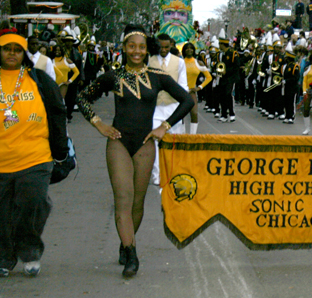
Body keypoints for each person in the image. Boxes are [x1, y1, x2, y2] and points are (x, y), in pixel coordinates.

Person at [77, 25, 194, 277]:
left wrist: (165, 126)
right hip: (118, 142)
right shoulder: (113, 75)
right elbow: (82, 98)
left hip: (144, 144)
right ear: (124, 48)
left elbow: (188, 100)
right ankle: (131, 253)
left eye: (141, 46)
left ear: (146, 48)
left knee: (138, 203)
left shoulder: (157, 76)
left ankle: (124, 241)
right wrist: (99, 124)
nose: (137, 51)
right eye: (132, 46)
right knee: (123, 199)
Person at [0, 32, 69, 277]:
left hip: (36, 157)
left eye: (16, 50)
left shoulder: (37, 79)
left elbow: (58, 111)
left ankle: (30, 252)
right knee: (3, 213)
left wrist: (60, 150)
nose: (11, 53)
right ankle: (5, 257)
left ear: (24, 54)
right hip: (2, 161)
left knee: (34, 204)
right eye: (6, 49)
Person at [148, 33, 188, 185]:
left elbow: (183, 86)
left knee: (173, 141)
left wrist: (181, 107)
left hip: (173, 107)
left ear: (171, 45)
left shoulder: (179, 62)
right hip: (155, 108)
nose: (163, 50)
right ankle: (157, 174)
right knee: (156, 140)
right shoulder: (149, 61)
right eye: (161, 47)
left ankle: (173, 172)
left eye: (166, 47)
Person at [182, 42, 212, 135]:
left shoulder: (198, 62)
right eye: (187, 48)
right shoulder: (180, 62)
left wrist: (199, 87)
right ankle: (181, 135)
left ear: (194, 50)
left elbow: (209, 77)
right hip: (180, 92)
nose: (189, 50)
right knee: (180, 115)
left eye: (191, 48)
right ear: (184, 50)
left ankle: (192, 136)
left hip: (191, 91)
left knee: (194, 113)